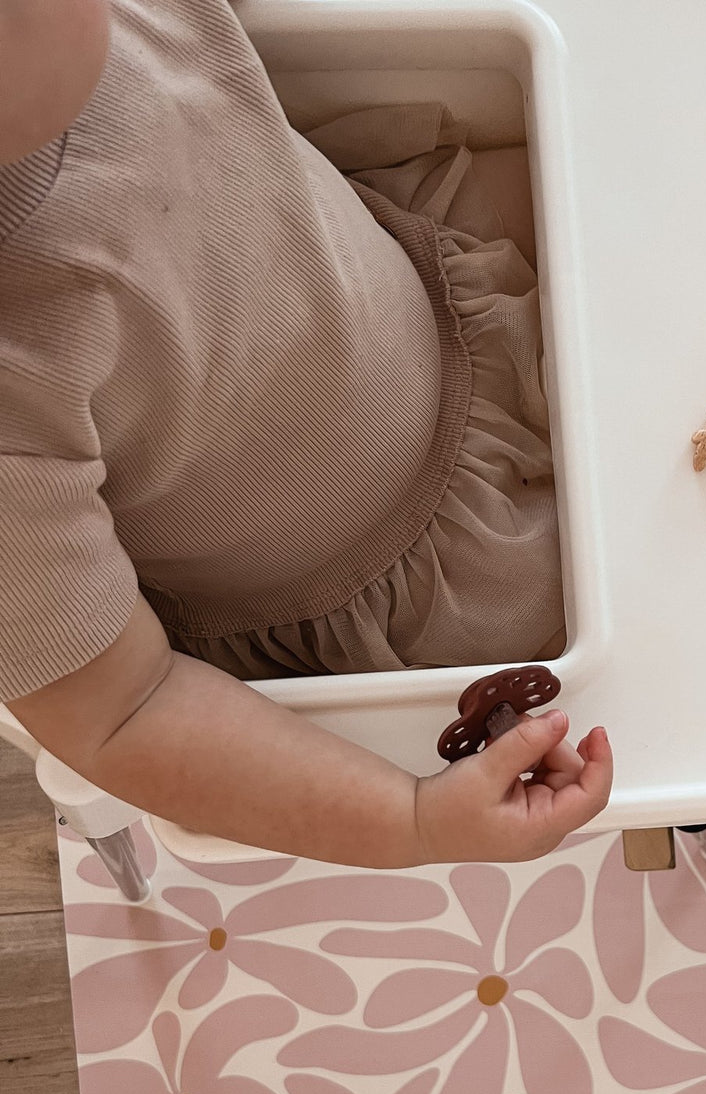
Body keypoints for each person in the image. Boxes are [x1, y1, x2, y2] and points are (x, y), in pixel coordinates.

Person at [0, 0, 612, 868]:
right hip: (401, 571)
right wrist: (411, 820)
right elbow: (123, 711)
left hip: (424, 261)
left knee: (650, 178)